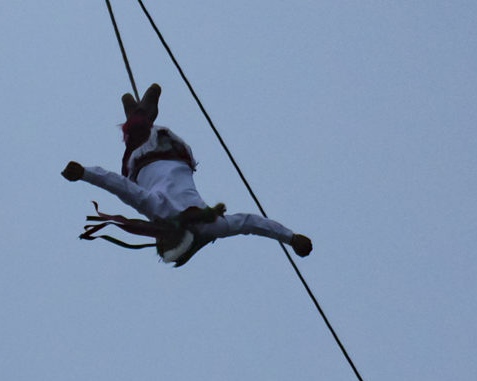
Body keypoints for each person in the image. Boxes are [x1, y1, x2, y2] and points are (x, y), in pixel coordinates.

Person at [60, 83, 313, 266]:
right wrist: (290, 237)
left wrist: (84, 173)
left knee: (136, 130)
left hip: (152, 158)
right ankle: (139, 111)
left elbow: (250, 223)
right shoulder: (168, 213)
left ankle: (137, 111)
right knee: (137, 129)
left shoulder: (190, 221)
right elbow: (251, 223)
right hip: (161, 153)